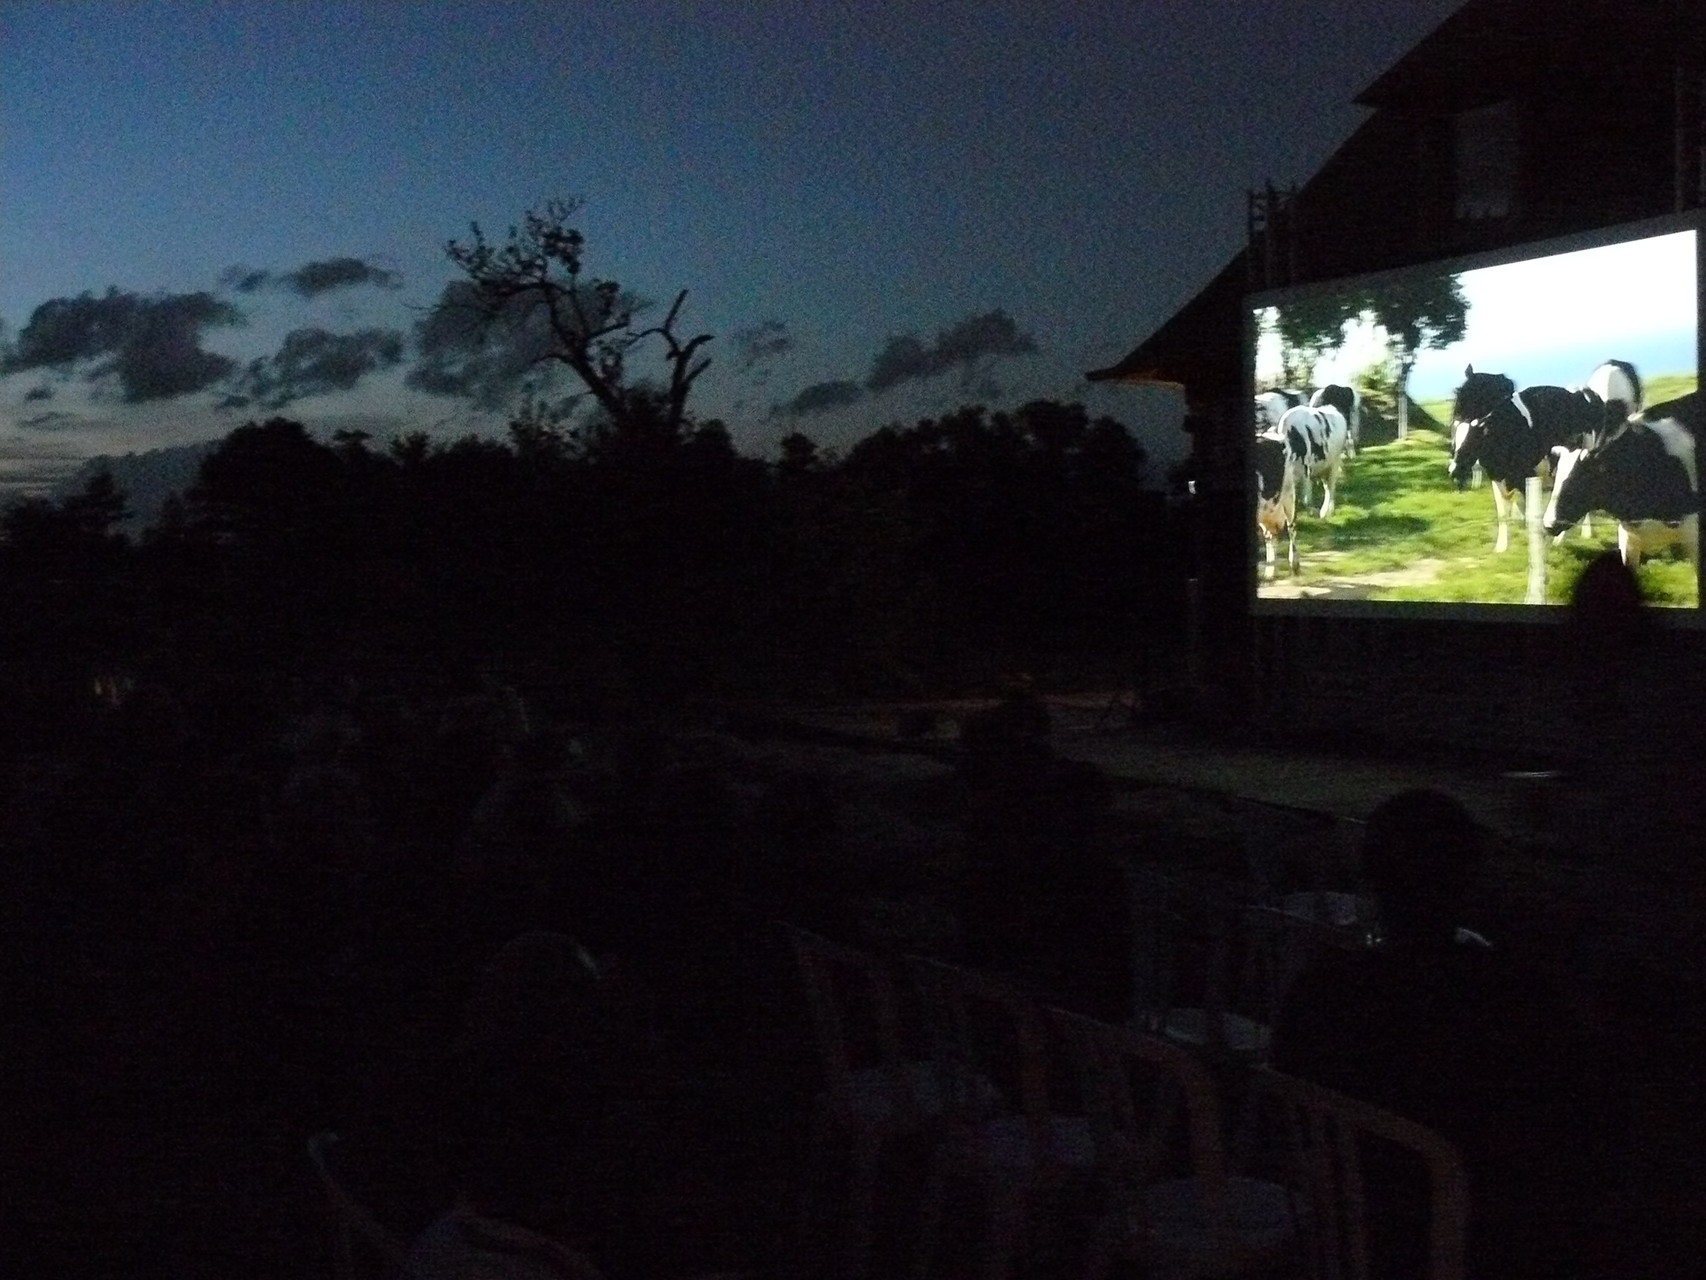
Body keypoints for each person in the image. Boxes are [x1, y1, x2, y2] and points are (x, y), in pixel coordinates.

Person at [1272, 788, 1594, 1280]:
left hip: (1352, 1228)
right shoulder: (1516, 995)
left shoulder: (1322, 987)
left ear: (1370, 878)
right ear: (1469, 879)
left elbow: (1287, 1085)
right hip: (1483, 1234)